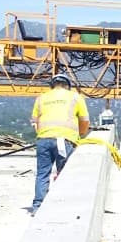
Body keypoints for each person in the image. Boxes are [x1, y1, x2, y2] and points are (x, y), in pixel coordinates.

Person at [30, 74, 90, 213]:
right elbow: (85, 120)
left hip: (43, 140)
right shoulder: (75, 97)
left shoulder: (41, 98)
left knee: (42, 174)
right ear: (68, 86)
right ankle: (61, 206)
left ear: (52, 85)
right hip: (65, 140)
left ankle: (38, 207)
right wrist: (79, 136)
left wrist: (43, 134)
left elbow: (34, 122)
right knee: (64, 173)